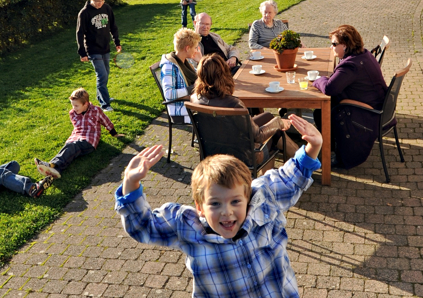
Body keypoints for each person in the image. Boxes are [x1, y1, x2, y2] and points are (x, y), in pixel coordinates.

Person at [114, 114, 322, 297]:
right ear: (200, 207)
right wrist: (130, 183)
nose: (227, 211)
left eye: (235, 201)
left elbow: (289, 178)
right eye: (215, 203)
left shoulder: (264, 199)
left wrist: (313, 147)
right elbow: (142, 227)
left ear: (247, 197)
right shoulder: (186, 226)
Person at [191, 54, 299, 160]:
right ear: (224, 74)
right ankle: (304, 162)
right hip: (244, 156)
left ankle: (303, 160)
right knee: (275, 132)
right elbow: (258, 136)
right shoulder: (233, 104)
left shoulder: (194, 99)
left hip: (212, 152)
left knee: (268, 117)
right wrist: (279, 122)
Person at [313, 24, 388, 169]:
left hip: (368, 113)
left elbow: (329, 88)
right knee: (322, 110)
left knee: (322, 111)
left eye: (334, 44)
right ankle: (333, 145)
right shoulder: (364, 54)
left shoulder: (351, 66)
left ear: (346, 45)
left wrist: (318, 80)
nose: (331, 47)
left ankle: (336, 153)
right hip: (377, 104)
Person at [34, 88, 125, 179]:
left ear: (85, 104)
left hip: (89, 140)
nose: (74, 108)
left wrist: (114, 134)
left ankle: (52, 164)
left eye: (76, 106)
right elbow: (78, 129)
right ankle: (57, 170)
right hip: (75, 138)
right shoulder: (72, 113)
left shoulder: (96, 110)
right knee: (70, 150)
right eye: (73, 105)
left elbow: (106, 121)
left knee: (73, 147)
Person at [77, 0, 122, 112]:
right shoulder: (84, 13)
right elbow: (79, 33)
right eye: (97, 1)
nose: (100, 3)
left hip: (105, 47)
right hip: (92, 49)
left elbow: (113, 26)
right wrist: (82, 53)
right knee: (101, 75)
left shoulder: (107, 8)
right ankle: (104, 104)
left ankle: (102, 95)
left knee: (106, 74)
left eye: (102, 0)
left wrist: (116, 42)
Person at [159, 28, 202, 124]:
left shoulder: (185, 61)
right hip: (182, 112)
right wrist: (192, 88)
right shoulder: (169, 66)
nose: (196, 51)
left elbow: (201, 78)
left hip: (193, 104)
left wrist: (200, 61)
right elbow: (168, 94)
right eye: (195, 47)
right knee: (216, 115)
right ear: (187, 48)